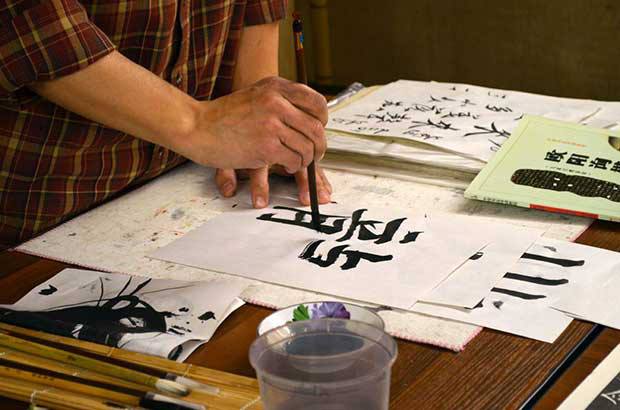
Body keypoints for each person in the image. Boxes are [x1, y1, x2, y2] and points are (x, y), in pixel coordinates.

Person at [0, 0, 332, 250]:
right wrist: (199, 124)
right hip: (43, 219)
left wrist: (264, 123)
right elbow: (37, 31)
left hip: (179, 193)